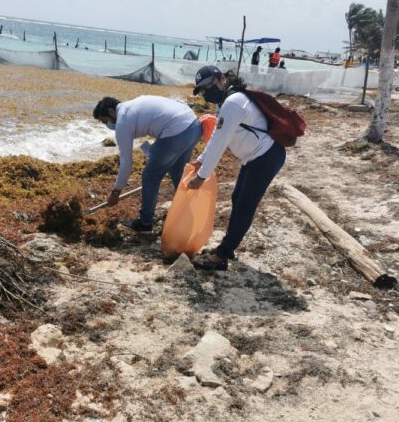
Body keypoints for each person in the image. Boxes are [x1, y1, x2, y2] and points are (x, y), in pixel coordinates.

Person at [187, 65, 286, 270]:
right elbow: (218, 135)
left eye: (209, 86)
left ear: (222, 78)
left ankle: (221, 257)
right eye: (202, 90)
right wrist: (201, 159)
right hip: (255, 158)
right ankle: (227, 247)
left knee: (244, 206)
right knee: (237, 200)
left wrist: (202, 176)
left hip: (265, 156)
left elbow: (221, 142)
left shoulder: (233, 103)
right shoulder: (227, 101)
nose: (206, 93)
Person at [93, 96, 202, 233]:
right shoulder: (133, 105)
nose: (108, 126)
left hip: (177, 131)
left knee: (150, 176)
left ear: (111, 112)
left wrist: (116, 192)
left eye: (106, 121)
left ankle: (145, 224)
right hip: (193, 125)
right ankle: (187, 215)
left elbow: (126, 163)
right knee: (178, 173)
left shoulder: (122, 122)